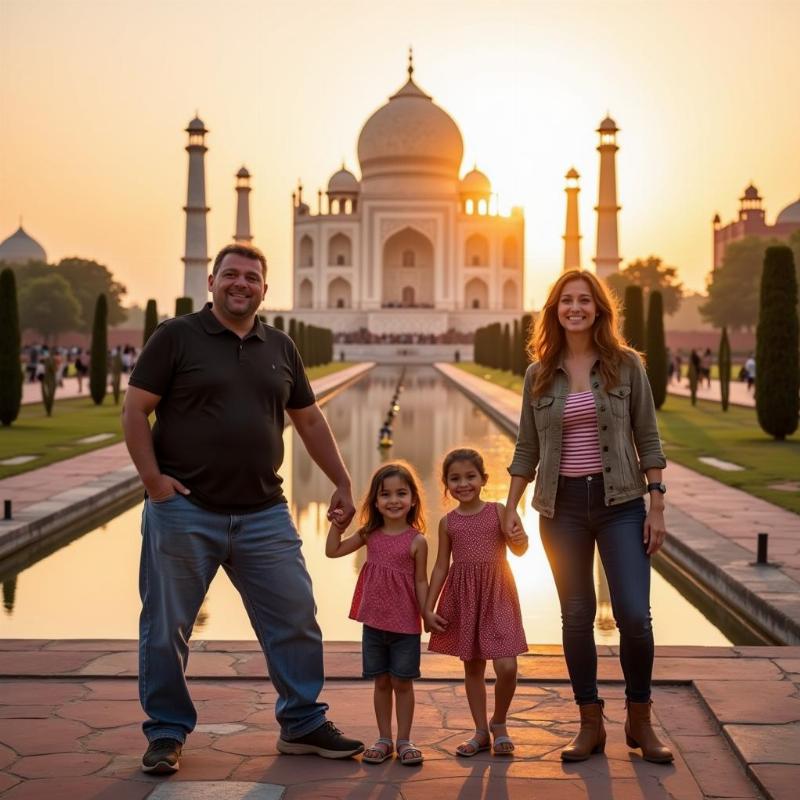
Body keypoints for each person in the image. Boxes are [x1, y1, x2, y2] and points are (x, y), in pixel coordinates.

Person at [122, 243, 363, 775]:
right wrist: (154, 481)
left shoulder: (279, 345)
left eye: (251, 277)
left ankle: (302, 723)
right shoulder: (176, 337)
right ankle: (165, 731)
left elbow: (310, 420)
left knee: (296, 618)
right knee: (166, 627)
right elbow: (135, 409)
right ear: (211, 282)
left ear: (264, 289)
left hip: (264, 511)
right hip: (186, 510)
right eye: (230, 275)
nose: (240, 284)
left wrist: (343, 480)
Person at [503, 269, 673, 764]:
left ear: (599, 308)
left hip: (620, 504)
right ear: (554, 310)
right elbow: (526, 448)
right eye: (565, 301)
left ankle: (639, 720)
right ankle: (590, 722)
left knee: (634, 617)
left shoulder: (625, 366)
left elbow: (648, 438)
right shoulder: (540, 374)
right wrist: (510, 507)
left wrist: (656, 503)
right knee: (577, 617)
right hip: (563, 509)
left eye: (583, 300)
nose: (574, 308)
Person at [425, 448, 528, 757]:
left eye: (470, 476)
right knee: (473, 667)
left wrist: (521, 539)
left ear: (483, 479)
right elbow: (442, 565)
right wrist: (428, 609)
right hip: (465, 597)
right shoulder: (448, 523)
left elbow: (520, 549)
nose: (463, 483)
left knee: (507, 666)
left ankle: (499, 722)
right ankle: (481, 731)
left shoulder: (499, 511)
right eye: (454, 478)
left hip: (498, 595)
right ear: (446, 484)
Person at [326, 462, 429, 766]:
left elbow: (421, 581)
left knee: (403, 683)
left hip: (406, 627)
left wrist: (427, 613)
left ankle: (405, 740)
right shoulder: (370, 533)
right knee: (381, 682)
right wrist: (337, 524)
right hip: (374, 625)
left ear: (413, 499)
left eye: (401, 493)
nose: (393, 500)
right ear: (375, 501)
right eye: (385, 494)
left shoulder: (417, 541)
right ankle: (384, 739)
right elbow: (333, 551)